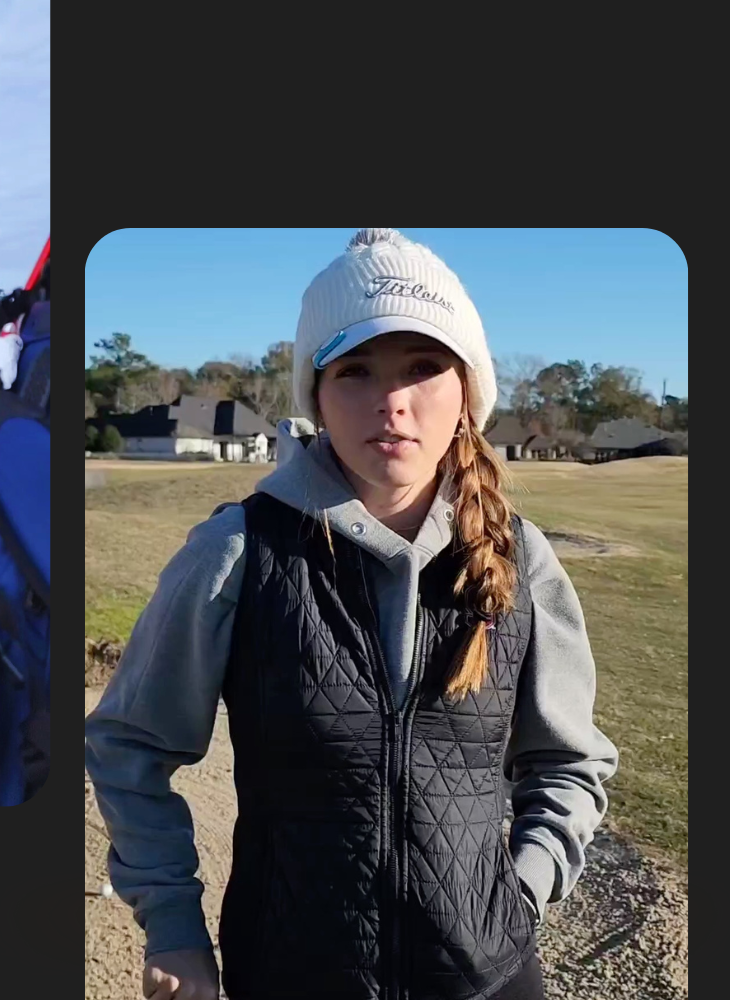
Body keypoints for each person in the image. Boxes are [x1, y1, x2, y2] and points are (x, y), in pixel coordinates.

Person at [87, 230, 618, 1000]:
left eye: (423, 368)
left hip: (490, 978)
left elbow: (569, 763)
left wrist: (522, 891)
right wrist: (174, 929)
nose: (391, 401)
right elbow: (129, 747)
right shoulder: (239, 550)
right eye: (356, 370)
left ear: (466, 390)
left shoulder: (520, 559)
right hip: (290, 974)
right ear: (318, 392)